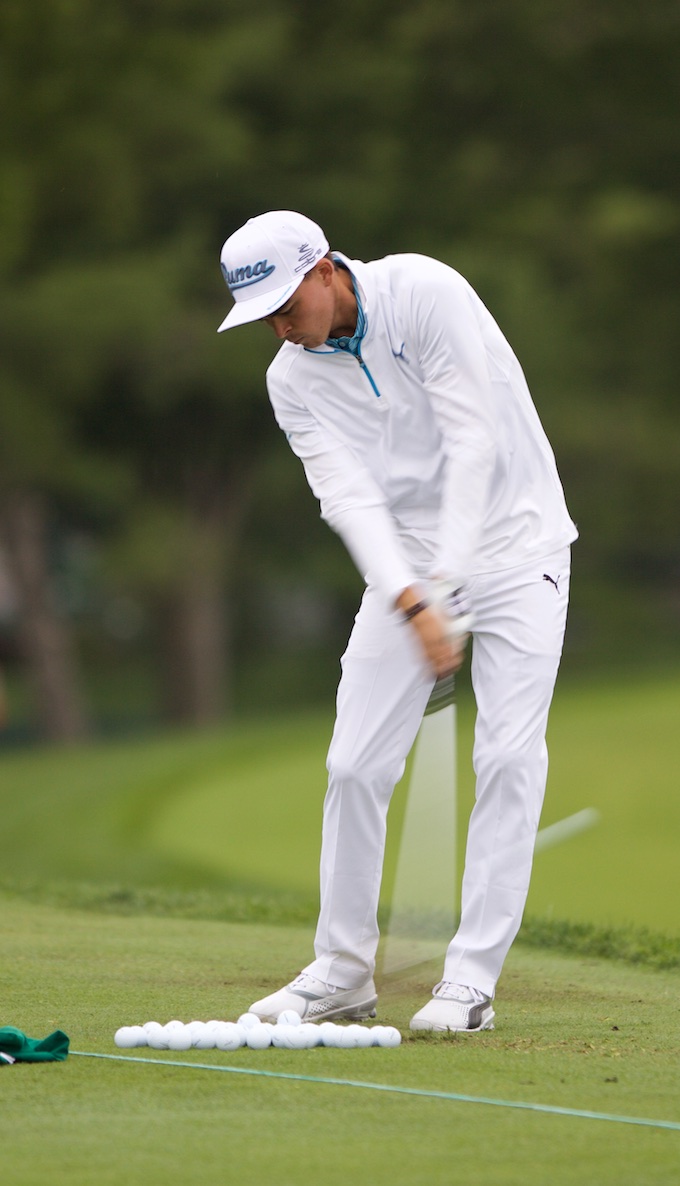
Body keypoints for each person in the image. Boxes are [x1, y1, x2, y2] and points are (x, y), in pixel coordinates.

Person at [217, 211, 577, 1032]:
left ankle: (470, 981)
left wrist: (445, 583)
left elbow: (472, 440)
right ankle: (342, 972)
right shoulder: (290, 381)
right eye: (264, 318)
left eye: (286, 306)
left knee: (507, 758)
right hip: (408, 573)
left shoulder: (424, 290)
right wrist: (413, 598)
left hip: (520, 545)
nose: (280, 328)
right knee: (353, 765)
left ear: (324, 270)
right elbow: (348, 500)